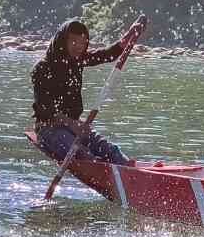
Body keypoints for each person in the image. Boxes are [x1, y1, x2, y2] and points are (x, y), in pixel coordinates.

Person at [31, 18, 141, 166]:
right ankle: (98, 166)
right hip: (49, 129)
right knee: (84, 156)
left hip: (75, 127)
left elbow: (106, 55)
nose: (79, 47)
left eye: (83, 43)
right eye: (74, 41)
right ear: (62, 41)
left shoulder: (77, 60)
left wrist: (128, 36)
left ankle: (129, 171)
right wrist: (73, 125)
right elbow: (44, 109)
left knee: (111, 151)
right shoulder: (43, 68)